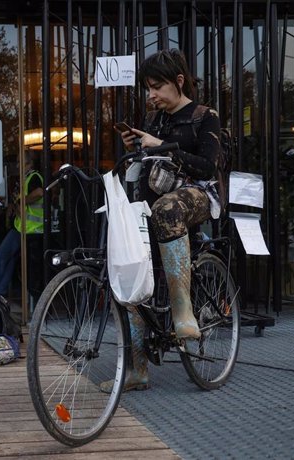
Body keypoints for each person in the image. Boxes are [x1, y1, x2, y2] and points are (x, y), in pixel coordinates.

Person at [106, 48, 222, 392]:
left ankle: (182, 310)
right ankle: (138, 370)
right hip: (156, 202)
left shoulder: (205, 116)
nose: (151, 94)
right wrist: (136, 146)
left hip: (197, 196)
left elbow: (207, 167)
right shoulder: (155, 119)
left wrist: (163, 146)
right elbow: (142, 170)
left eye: (156, 86)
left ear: (179, 82)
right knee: (130, 265)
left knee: (167, 209)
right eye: (148, 88)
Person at [0, 153, 43, 296]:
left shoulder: (34, 177)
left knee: (0, 256)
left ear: (29, 164)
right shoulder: (27, 178)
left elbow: (39, 192)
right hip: (23, 227)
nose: (17, 166)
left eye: (19, 162)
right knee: (10, 259)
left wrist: (21, 201)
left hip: (28, 229)